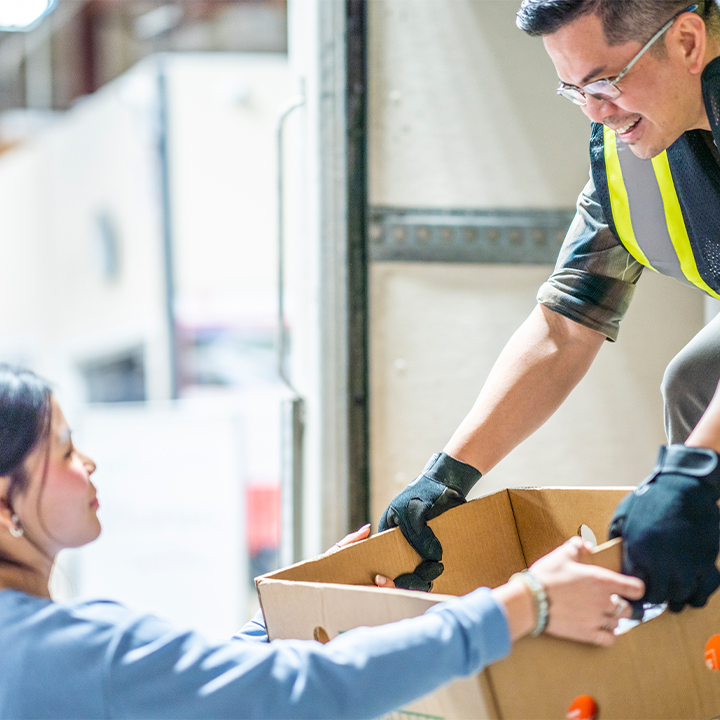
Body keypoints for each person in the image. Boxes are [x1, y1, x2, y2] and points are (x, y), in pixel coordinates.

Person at [0, 364, 643, 719]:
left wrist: (283, 617)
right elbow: (295, 693)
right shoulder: (69, 653)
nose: (89, 463)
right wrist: (525, 603)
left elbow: (197, 692)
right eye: (62, 450)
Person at [380, 0, 720, 612]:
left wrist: (689, 475)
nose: (595, 111)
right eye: (574, 91)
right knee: (696, 384)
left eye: (604, 82)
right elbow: (567, 324)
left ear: (688, 42)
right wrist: (447, 478)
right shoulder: (628, 156)